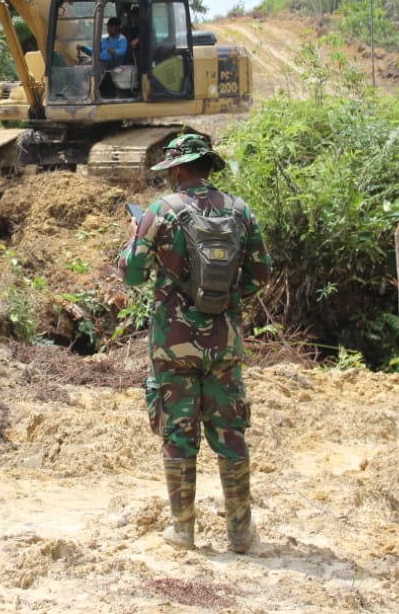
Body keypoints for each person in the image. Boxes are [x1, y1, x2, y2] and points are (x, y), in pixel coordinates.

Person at [119, 134, 272, 553]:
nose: (169, 178)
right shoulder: (241, 211)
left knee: (177, 431)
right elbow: (262, 275)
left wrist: (135, 237)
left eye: (170, 171)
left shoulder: (160, 212)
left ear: (180, 170)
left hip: (173, 345)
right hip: (224, 343)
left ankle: (182, 530)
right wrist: (222, 301)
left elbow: (131, 274)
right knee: (231, 432)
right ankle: (241, 533)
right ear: (209, 168)